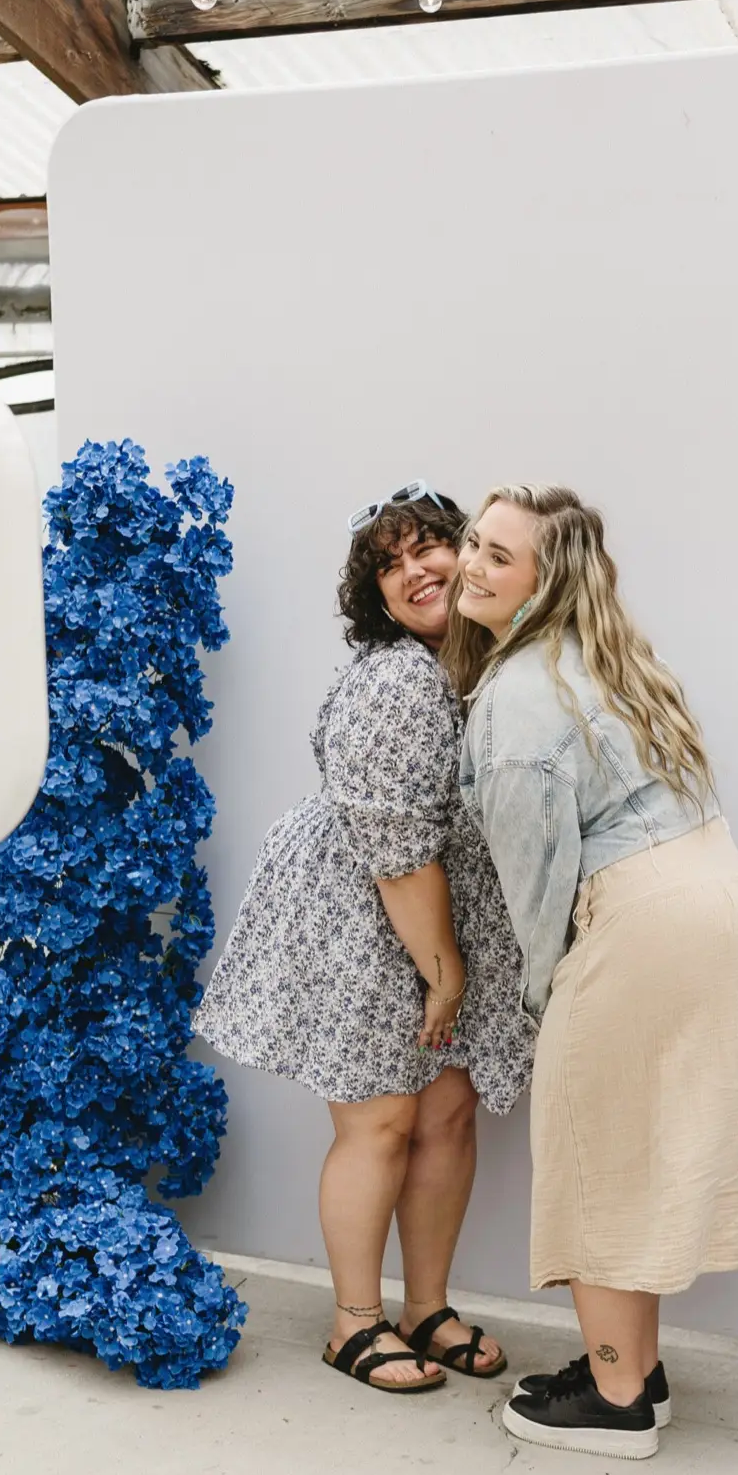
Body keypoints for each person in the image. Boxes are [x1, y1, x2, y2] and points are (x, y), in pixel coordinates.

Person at [444, 484, 738, 1459]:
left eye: (497, 556)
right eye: (473, 541)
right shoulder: (616, 659)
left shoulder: (514, 697)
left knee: (595, 1152)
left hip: (646, 923)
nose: (471, 563)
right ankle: (632, 1367)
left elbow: (535, 880)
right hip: (723, 897)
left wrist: (552, 1000)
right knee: (637, 1152)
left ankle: (615, 1398)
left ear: (542, 580)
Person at [196, 482, 533, 1392]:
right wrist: (444, 967)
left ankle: (425, 1307)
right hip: (368, 912)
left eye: (430, 548)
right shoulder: (397, 678)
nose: (415, 571)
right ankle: (353, 1321)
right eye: (390, 564)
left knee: (448, 1112)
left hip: (442, 910)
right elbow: (394, 848)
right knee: (380, 1117)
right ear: (375, 596)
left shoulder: (486, 664)